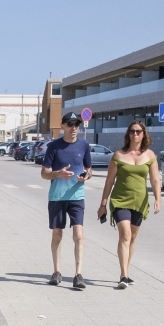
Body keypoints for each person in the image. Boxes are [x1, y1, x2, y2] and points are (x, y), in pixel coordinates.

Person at [97, 120, 162, 289]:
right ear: (128, 134)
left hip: (139, 201)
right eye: (132, 131)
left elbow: (155, 179)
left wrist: (158, 199)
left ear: (143, 134)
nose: (135, 134)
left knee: (132, 237)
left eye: (138, 131)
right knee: (125, 235)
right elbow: (109, 181)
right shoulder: (118, 155)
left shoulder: (149, 155)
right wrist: (103, 204)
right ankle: (123, 275)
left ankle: (127, 270)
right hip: (120, 200)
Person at [39, 112, 92, 289]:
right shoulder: (54, 147)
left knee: (78, 235)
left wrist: (86, 176)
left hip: (77, 196)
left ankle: (78, 274)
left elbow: (89, 169)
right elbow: (44, 173)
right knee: (57, 235)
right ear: (62, 126)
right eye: (70, 124)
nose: (74, 127)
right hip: (57, 197)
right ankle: (56, 271)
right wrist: (58, 174)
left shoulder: (84, 145)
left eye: (76, 124)